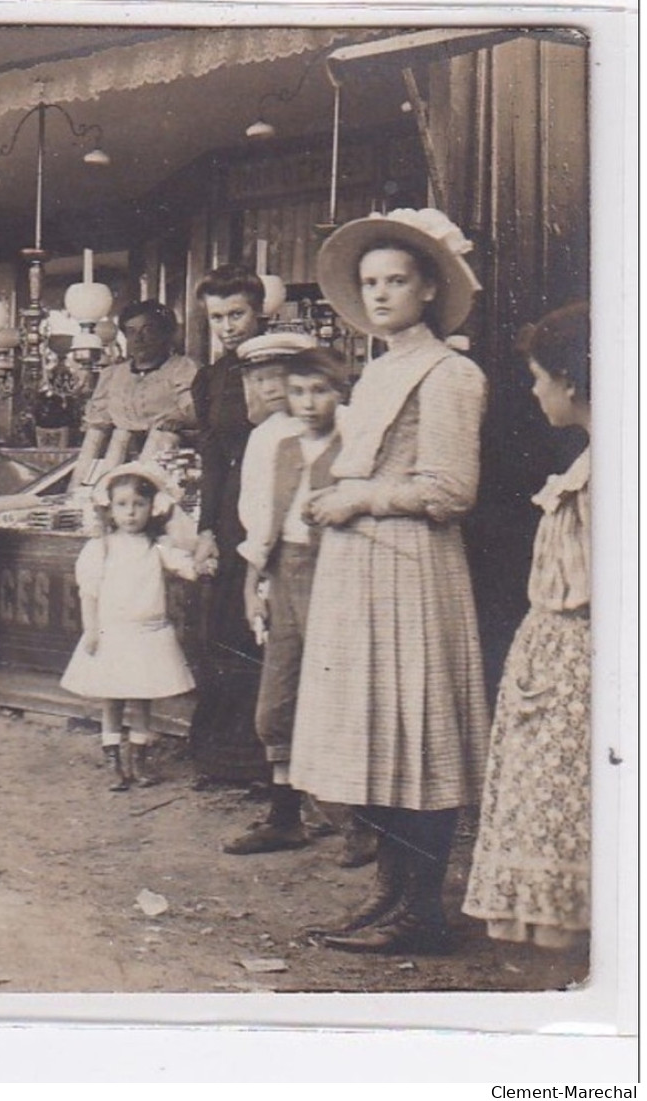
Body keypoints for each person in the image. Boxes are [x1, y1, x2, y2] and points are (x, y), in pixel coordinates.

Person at [291, 208, 490, 955]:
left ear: (428, 287)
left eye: (395, 280)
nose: (379, 294)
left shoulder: (450, 373)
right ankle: (387, 891)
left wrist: (359, 497)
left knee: (416, 729)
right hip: (359, 569)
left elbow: (448, 488)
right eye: (369, 282)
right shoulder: (376, 369)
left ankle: (422, 909)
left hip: (410, 566)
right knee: (375, 728)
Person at [462, 302, 591, 951]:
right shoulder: (589, 462)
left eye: (540, 376)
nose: (534, 390)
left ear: (570, 380)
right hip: (557, 664)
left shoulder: (610, 477)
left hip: (581, 675)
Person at [222, 342, 351, 855]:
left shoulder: (352, 442)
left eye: (318, 390)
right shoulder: (276, 445)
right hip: (284, 569)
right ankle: (284, 815)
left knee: (333, 696)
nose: (305, 401)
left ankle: (355, 824)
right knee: (277, 700)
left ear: (339, 394)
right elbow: (262, 519)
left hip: (335, 574)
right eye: (295, 390)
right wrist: (255, 583)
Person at [60, 463, 210, 790]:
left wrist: (199, 555)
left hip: (148, 634)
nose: (130, 513)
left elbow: (190, 568)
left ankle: (138, 759)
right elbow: (90, 592)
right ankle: (114, 761)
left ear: (151, 508)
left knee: (142, 698)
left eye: (139, 505)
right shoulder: (101, 547)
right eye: (122, 505)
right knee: (112, 699)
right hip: (113, 633)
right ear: (109, 509)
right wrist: (91, 629)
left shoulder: (157, 547)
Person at [186, 265, 272, 786]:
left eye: (236, 313)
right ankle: (224, 760)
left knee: (263, 630)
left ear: (260, 311)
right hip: (227, 513)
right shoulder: (210, 378)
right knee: (222, 632)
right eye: (217, 317)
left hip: (270, 504)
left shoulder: (279, 370)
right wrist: (204, 530)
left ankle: (269, 764)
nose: (227, 325)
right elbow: (212, 458)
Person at [72, 301, 200, 482]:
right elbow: (98, 425)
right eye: (131, 332)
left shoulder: (182, 368)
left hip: (166, 454)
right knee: (116, 436)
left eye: (147, 330)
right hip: (119, 453)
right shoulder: (114, 374)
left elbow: (194, 410)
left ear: (163, 334)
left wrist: (179, 419)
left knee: (162, 437)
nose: (138, 339)